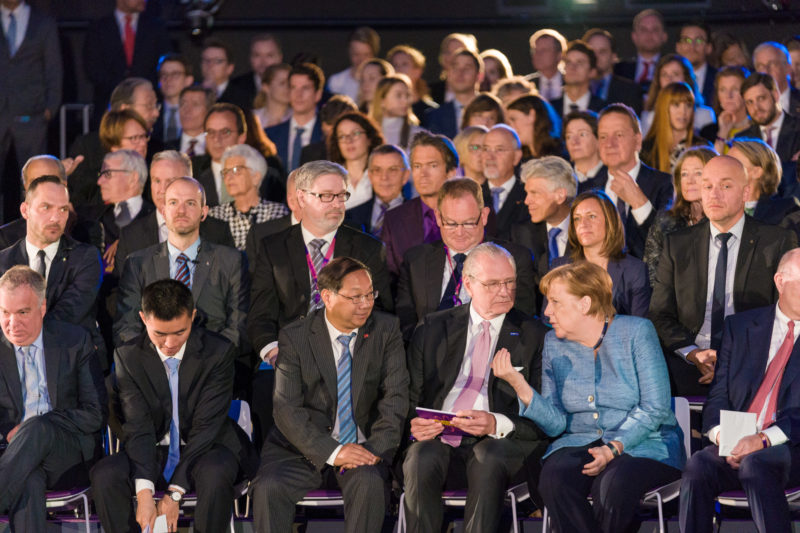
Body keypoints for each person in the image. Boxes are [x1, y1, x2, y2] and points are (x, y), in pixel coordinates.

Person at [493, 261, 684, 533]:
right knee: (554, 478)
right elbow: (557, 424)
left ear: (584, 304)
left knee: (614, 483)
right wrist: (520, 385)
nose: (547, 312)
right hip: (580, 442)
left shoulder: (637, 332)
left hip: (645, 445)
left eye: (556, 302)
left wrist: (613, 448)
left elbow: (655, 408)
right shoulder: (554, 343)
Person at [251, 256, 409, 532]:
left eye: (370, 294)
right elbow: (286, 409)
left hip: (364, 446)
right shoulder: (295, 336)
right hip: (300, 449)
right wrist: (334, 452)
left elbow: (395, 400)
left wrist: (372, 452)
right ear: (327, 296)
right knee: (269, 488)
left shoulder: (386, 330)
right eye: (355, 297)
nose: (366, 304)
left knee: (369, 483)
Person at [402, 242, 549, 533]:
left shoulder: (535, 335)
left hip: (500, 444)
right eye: (493, 284)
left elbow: (546, 417)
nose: (505, 291)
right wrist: (414, 425)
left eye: (509, 282)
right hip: (439, 439)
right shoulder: (432, 328)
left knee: (488, 457)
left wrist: (496, 422)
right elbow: (408, 399)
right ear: (468, 284)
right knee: (420, 456)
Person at [91, 279, 257, 533]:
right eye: (160, 333)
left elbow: (206, 427)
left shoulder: (218, 352)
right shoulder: (128, 356)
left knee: (215, 473)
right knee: (105, 475)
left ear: (192, 316)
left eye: (180, 332)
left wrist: (174, 494)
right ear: (143, 319)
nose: (170, 343)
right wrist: (145, 492)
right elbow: (138, 426)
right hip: (152, 448)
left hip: (207, 447)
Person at [649, 155, 797, 396]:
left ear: (746, 192)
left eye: (725, 186)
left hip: (754, 365)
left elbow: (783, 315)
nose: (713, 194)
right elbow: (660, 314)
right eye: (707, 186)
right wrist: (693, 353)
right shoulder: (677, 245)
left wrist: (734, 359)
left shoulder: (776, 241)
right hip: (689, 361)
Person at [679, 247, 800, 533]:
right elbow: (718, 395)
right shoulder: (741, 327)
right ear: (780, 282)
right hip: (736, 441)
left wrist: (763, 439)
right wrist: (724, 437)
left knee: (756, 464)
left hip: (791, 446)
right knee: (699, 465)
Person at [247, 160, 393, 369]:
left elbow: (379, 312)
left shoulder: (367, 248)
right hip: (289, 355)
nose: (337, 204)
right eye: (326, 196)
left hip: (348, 357)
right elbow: (260, 315)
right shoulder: (273, 247)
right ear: (302, 198)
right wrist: (275, 352)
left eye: (342, 196)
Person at [0, 266, 107, 531]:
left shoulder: (74, 341)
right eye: (4, 312)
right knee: (29, 480)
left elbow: (95, 414)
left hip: (66, 455)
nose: (12, 324)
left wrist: (42, 425)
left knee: (35, 427)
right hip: (12, 458)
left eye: (23, 312)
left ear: (42, 307)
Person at [115, 177, 248, 356]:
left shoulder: (231, 261)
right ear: (163, 210)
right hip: (153, 366)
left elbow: (238, 326)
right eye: (173, 202)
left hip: (213, 366)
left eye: (191, 203)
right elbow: (127, 326)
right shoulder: (137, 263)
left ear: (204, 212)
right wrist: (158, 361)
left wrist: (206, 363)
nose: (181, 210)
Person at [396, 178, 537, 341]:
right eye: (451, 223)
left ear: (484, 216)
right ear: (438, 217)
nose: (460, 232)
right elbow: (405, 324)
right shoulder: (416, 260)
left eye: (469, 223)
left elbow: (520, 322)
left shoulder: (514, 258)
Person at [0, 175, 105, 362]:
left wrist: (23, 330)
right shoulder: (4, 261)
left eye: (63, 209)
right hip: (14, 362)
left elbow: (69, 312)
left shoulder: (85, 257)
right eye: (46, 207)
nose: (56, 218)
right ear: (25, 210)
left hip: (73, 360)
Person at [582, 103, 674, 259]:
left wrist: (639, 202)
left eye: (618, 135)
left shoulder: (665, 184)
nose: (609, 144)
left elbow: (668, 243)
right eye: (603, 136)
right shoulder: (586, 189)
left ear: (637, 141)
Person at [115, 150, 234, 270]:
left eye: (170, 181)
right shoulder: (130, 236)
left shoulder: (218, 232)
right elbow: (121, 286)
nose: (161, 189)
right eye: (157, 181)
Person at [552, 190, 651, 317]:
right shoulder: (559, 266)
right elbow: (549, 320)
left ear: (610, 221)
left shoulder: (635, 269)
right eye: (577, 218)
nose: (583, 224)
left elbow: (639, 326)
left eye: (591, 216)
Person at [0, 0, 61, 199]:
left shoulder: (42, 22)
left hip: (32, 115)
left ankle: (29, 229)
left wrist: (50, 108)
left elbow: (54, 68)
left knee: (33, 184)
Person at [68, 78, 162, 208]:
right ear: (124, 109)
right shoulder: (87, 149)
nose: (156, 113)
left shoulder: (159, 153)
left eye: (143, 137)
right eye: (149, 106)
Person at [381, 131, 458, 275]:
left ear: (451, 171)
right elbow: (389, 277)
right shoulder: (394, 219)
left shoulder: (472, 215)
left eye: (432, 165)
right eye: (417, 166)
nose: (423, 173)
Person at [82, 0, 170, 126]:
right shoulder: (99, 28)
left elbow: (164, 65)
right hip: (109, 108)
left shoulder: (156, 27)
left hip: (148, 109)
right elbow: (92, 69)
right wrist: (123, 92)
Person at [644, 146, 716, 287]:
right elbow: (652, 272)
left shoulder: (721, 220)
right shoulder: (666, 220)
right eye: (684, 174)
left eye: (698, 173)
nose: (690, 181)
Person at [512, 156, 576, 306]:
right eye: (527, 193)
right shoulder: (522, 233)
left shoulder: (586, 230)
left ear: (560, 195)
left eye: (534, 193)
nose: (527, 201)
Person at [735, 72, 800, 199]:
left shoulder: (798, 129)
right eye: (750, 102)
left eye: (761, 98)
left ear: (775, 95)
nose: (756, 107)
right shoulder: (742, 140)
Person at [641, 81, 712, 173]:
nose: (683, 112)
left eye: (688, 105)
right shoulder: (646, 150)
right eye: (676, 105)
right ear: (664, 107)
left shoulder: (703, 147)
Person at [265, 63, 325, 172]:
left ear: (318, 94)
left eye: (305, 88)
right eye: (293, 88)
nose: (298, 94)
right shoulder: (270, 135)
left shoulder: (326, 135)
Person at [728, 138, 800, 225]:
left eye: (733, 162)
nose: (724, 168)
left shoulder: (785, 209)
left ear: (756, 172)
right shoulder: (716, 207)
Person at [640, 54, 716, 135]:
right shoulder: (648, 116)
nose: (669, 79)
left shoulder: (704, 115)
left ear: (686, 79)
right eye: (664, 75)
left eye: (675, 74)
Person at [344, 144, 408, 236]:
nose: (384, 177)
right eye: (377, 170)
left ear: (405, 175)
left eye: (392, 170)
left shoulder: (421, 218)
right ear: (370, 175)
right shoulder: (349, 217)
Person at [193, 102, 248, 207]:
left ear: (241, 137)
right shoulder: (192, 174)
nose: (217, 139)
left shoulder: (263, 176)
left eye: (225, 132)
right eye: (211, 132)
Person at [327, 111, 385, 209]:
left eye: (355, 133)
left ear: (369, 138)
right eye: (342, 136)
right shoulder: (330, 179)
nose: (349, 140)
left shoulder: (383, 175)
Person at [482, 124, 527, 241]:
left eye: (499, 150)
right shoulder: (472, 195)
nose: (490, 157)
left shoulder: (529, 195)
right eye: (486, 149)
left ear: (517, 156)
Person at [582, 28, 643, 114]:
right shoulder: (571, 87)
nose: (596, 57)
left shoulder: (630, 91)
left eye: (602, 51)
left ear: (614, 57)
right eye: (591, 52)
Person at [425, 48, 482, 140]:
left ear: (479, 76)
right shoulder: (435, 116)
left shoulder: (492, 110)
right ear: (448, 74)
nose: (460, 73)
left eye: (467, 68)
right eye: (455, 67)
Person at [614, 9, 668, 94]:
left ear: (664, 36)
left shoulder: (673, 67)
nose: (649, 34)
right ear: (634, 36)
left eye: (655, 29)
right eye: (643, 30)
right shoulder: (618, 70)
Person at [699, 66, 751, 154]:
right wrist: (722, 133)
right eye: (723, 90)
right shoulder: (707, 133)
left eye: (735, 89)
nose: (728, 95)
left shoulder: (759, 130)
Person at [227, 33, 284, 112]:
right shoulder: (235, 87)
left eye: (269, 55)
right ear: (250, 58)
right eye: (257, 55)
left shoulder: (292, 85)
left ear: (280, 58)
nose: (263, 62)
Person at [549, 40, 605, 120]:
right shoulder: (549, 109)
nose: (572, 67)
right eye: (568, 62)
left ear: (592, 72)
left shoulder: (602, 110)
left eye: (580, 62)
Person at [299, 94, 359, 166]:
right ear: (322, 127)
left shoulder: (364, 154)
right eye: (327, 135)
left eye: (340, 136)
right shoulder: (310, 154)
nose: (332, 141)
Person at [505, 94, 564, 162]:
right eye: (508, 123)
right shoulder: (520, 160)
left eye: (513, 119)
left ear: (532, 115)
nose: (510, 127)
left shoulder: (558, 157)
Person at [327, 26, 380, 102]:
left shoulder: (382, 81)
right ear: (349, 53)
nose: (361, 60)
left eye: (366, 55)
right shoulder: (336, 82)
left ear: (374, 54)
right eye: (356, 54)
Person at [370, 74, 422, 151]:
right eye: (398, 95)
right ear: (382, 100)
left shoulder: (418, 134)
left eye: (407, 95)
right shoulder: (369, 134)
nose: (405, 101)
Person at [386, 44, 437, 119]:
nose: (398, 69)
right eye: (395, 65)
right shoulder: (385, 110)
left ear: (418, 71)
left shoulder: (432, 111)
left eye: (404, 64)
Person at [428, 33, 478, 105]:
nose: (452, 57)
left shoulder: (484, 97)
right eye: (448, 52)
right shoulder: (429, 92)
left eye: (459, 52)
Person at [752, 41, 800, 116]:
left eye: (772, 64)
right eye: (760, 66)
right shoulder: (750, 107)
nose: (766, 71)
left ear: (787, 68)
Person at [154, 54, 194, 145]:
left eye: (175, 74)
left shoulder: (198, 113)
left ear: (188, 80)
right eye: (164, 74)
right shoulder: (152, 113)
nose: (168, 79)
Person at [201, 39, 250, 111]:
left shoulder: (242, 97)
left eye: (217, 61)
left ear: (230, 68)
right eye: (206, 60)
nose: (210, 65)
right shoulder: (192, 93)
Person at [676, 21, 717, 107]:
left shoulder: (718, 78)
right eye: (686, 40)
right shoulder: (669, 78)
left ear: (709, 47)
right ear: (678, 47)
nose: (692, 46)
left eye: (699, 40)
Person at [171, 85, 215, 157]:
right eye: (183, 104)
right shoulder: (164, 149)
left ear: (208, 111)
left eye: (195, 104)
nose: (187, 110)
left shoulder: (217, 148)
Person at [525, 28, 567, 101]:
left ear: (559, 55)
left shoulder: (572, 83)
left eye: (544, 50)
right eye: (535, 50)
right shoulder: (526, 85)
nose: (538, 54)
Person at [564, 110, 603, 184]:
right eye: (569, 136)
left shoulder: (612, 177)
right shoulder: (561, 178)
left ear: (599, 139)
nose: (574, 142)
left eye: (582, 134)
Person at [252, 63, 292, 128]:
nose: (288, 87)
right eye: (282, 83)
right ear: (266, 87)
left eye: (290, 83)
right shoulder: (253, 118)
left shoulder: (298, 118)